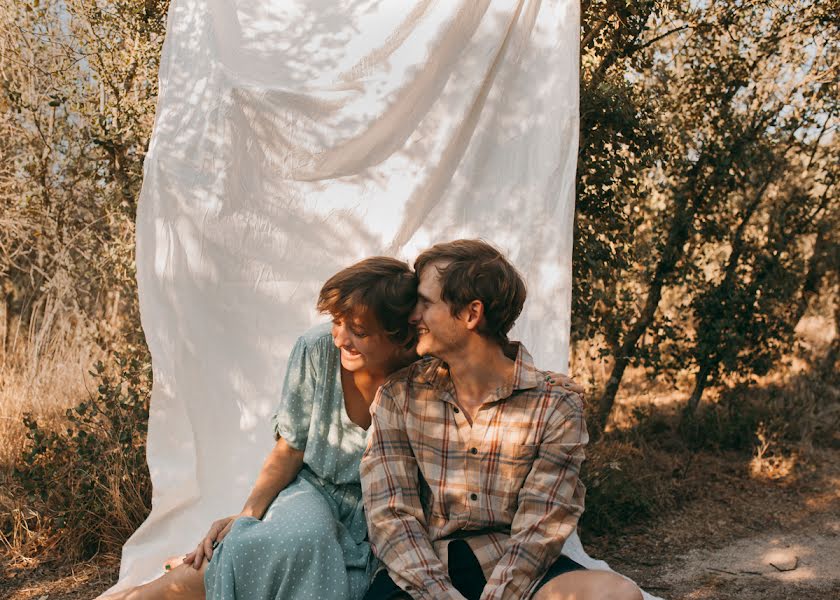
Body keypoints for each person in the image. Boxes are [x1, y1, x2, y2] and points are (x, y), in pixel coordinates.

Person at [104, 257, 420, 600]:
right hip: (316, 490)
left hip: (385, 509)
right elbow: (290, 448)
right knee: (287, 541)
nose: (341, 337)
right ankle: (143, 595)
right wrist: (247, 515)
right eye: (337, 321)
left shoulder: (426, 375)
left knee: (346, 580)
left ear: (399, 337)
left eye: (359, 331)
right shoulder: (316, 350)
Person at [360, 240, 643, 600]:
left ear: (470, 314)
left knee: (616, 596)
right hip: (426, 571)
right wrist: (439, 594)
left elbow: (541, 526)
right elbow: (391, 514)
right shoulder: (399, 396)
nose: (413, 315)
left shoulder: (555, 406)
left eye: (426, 303)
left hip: (515, 567)